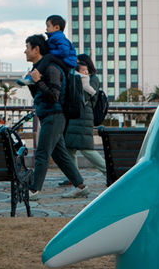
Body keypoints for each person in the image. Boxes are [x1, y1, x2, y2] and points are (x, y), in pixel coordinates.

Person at [23, 34, 89, 200]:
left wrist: (38, 82)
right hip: (48, 115)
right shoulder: (39, 69)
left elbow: (54, 96)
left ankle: (34, 190)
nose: (25, 51)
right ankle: (81, 186)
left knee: (42, 153)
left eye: (27, 47)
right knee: (60, 155)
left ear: (36, 49)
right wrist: (33, 82)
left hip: (55, 115)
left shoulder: (51, 68)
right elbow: (40, 94)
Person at [60, 53, 107, 186]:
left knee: (87, 149)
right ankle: (74, 177)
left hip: (84, 116)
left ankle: (109, 172)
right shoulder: (79, 77)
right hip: (76, 115)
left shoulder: (92, 79)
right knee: (70, 148)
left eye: (79, 63)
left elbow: (85, 96)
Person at [18, 15, 77, 86]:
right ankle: (31, 75)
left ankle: (32, 77)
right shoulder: (53, 37)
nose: (46, 29)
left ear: (57, 27)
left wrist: (50, 53)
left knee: (48, 57)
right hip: (64, 61)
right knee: (45, 58)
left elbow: (64, 51)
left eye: (48, 26)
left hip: (67, 63)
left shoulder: (59, 37)